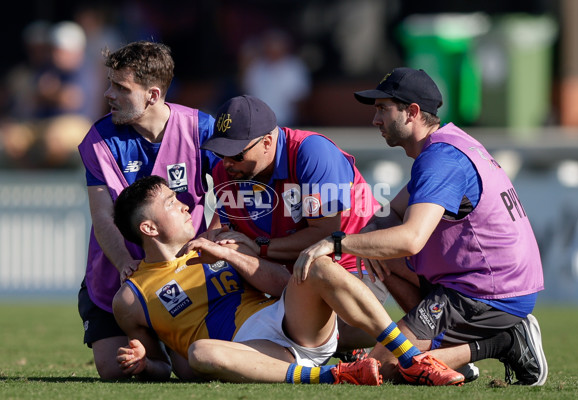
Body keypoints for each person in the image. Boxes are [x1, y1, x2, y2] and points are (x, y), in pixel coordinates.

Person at [294, 67, 548, 386]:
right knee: (379, 247)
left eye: (383, 110)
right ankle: (448, 349)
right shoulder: (447, 144)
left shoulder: (440, 159)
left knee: (380, 368)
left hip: (487, 292)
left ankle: (508, 341)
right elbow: (390, 213)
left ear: (412, 112)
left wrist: (337, 242)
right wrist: (370, 239)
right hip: (482, 282)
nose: (375, 121)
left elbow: (411, 239)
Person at [111, 175, 465, 386]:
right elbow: (166, 367)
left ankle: (411, 359)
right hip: (247, 353)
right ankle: (337, 375)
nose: (186, 206)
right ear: (149, 228)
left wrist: (233, 255)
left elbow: (283, 284)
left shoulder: (214, 242)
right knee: (201, 351)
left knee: (315, 263)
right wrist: (142, 363)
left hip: (289, 320)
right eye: (172, 203)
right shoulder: (131, 297)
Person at [199, 94, 386, 354]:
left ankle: (411, 340)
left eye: (236, 153)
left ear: (266, 142)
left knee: (311, 332)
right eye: (220, 152)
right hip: (287, 275)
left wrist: (258, 247)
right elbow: (228, 228)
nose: (226, 162)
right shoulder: (227, 172)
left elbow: (325, 236)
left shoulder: (311, 152)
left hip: (351, 266)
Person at [76, 40, 218, 380]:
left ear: (152, 95)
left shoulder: (202, 130)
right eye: (109, 83)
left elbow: (231, 196)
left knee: (198, 370)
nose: (108, 94)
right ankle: (154, 357)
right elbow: (103, 217)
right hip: (118, 275)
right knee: (116, 370)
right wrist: (126, 264)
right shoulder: (99, 139)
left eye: (120, 87)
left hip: (186, 275)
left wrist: (212, 240)